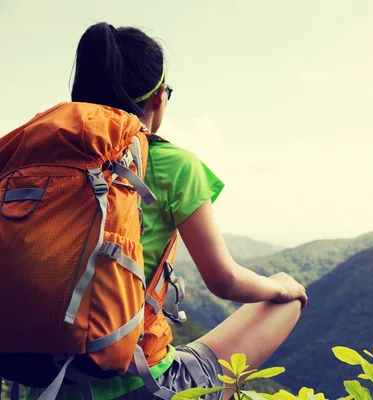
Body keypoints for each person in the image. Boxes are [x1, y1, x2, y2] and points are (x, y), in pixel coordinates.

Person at [25, 22, 308, 400]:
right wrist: (281, 285)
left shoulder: (38, 161)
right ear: (158, 97)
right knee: (287, 303)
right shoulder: (172, 163)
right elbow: (223, 281)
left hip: (46, 383)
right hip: (144, 385)